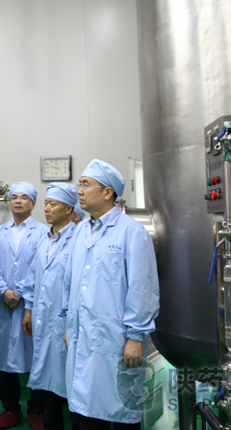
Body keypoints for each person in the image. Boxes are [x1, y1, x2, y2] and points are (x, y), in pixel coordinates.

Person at [62, 159, 159, 430]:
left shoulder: (132, 232)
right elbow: (70, 282)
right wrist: (69, 324)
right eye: (79, 184)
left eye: (85, 184)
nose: (79, 190)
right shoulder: (81, 231)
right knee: (85, 410)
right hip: (82, 334)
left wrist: (136, 336)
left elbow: (143, 289)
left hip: (116, 339)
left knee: (119, 409)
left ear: (107, 192)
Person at [21, 183, 79, 430]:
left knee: (73, 382)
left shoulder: (79, 239)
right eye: (45, 203)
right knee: (48, 380)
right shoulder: (45, 239)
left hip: (66, 322)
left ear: (69, 209)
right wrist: (28, 309)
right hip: (43, 318)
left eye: (52, 204)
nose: (46, 208)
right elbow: (34, 278)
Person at [0, 182, 48, 430]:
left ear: (33, 203)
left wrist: (21, 292)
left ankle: (37, 410)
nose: (18, 201)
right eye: (14, 197)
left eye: (24, 197)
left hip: (32, 305)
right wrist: (4, 291)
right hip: (5, 304)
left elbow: (41, 267)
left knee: (37, 356)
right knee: (6, 357)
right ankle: (10, 408)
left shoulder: (43, 233)